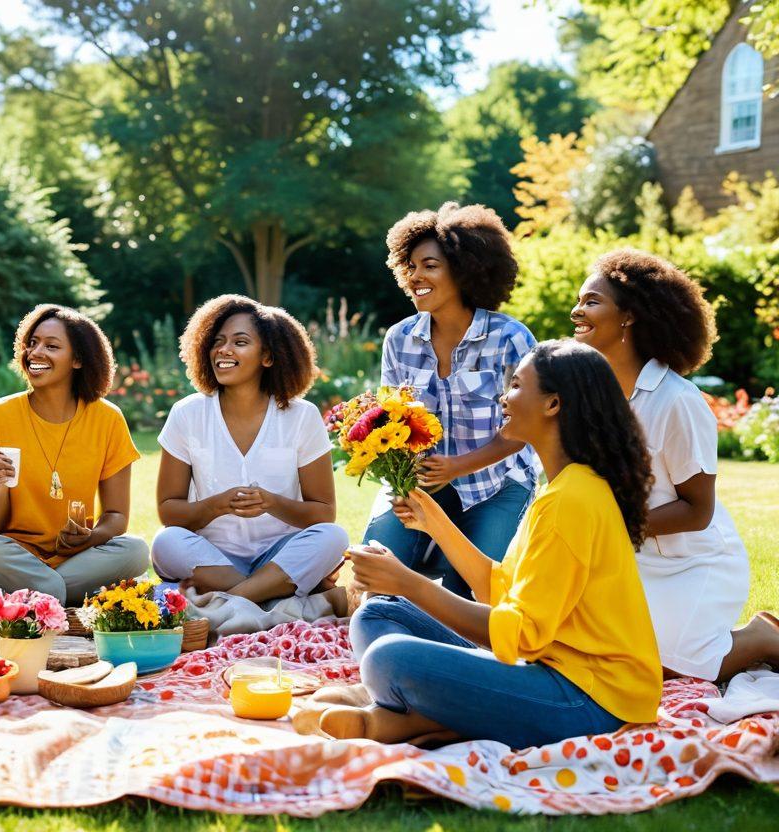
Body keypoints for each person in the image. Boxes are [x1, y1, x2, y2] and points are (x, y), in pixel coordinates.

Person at [318, 341, 661, 749]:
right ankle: (426, 714)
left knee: (388, 658)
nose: (504, 396)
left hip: (594, 702)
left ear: (553, 404)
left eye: (516, 386)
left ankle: (412, 716)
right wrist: (436, 523)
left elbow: (520, 636)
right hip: (547, 669)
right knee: (379, 613)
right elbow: (500, 589)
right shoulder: (564, 488)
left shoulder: (571, 501)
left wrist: (410, 582)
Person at [573, 249, 776, 682]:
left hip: (696, 564)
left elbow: (698, 511)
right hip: (630, 559)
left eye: (591, 301)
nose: (577, 310)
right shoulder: (595, 394)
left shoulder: (677, 401)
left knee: (658, 671)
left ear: (629, 316)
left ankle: (761, 637)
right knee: (601, 662)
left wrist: (611, 524)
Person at [365, 203, 540, 596]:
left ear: (464, 270)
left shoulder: (510, 338)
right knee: (375, 576)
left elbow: (529, 427)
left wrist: (457, 466)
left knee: (472, 596)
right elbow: (390, 424)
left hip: (497, 484)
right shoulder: (400, 338)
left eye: (429, 265)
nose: (415, 276)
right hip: (421, 482)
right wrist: (400, 480)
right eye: (409, 266)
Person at [151, 295, 348, 607]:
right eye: (218, 341)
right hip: (213, 559)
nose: (224, 350)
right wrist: (215, 505)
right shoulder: (187, 413)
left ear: (268, 356)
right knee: (165, 542)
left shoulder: (302, 415)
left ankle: (230, 603)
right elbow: (169, 511)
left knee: (333, 537)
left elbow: (323, 512)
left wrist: (272, 503)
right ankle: (272, 594)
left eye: (240, 342)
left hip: (280, 554)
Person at [0, 305, 150, 605]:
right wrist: (0, 483)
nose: (36, 353)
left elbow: (116, 517)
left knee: (137, 550)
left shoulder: (107, 419)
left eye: (51, 346)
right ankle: (57, 594)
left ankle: (41, 595)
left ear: (77, 360)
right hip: (14, 555)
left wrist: (90, 538)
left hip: (78, 558)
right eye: (32, 343)